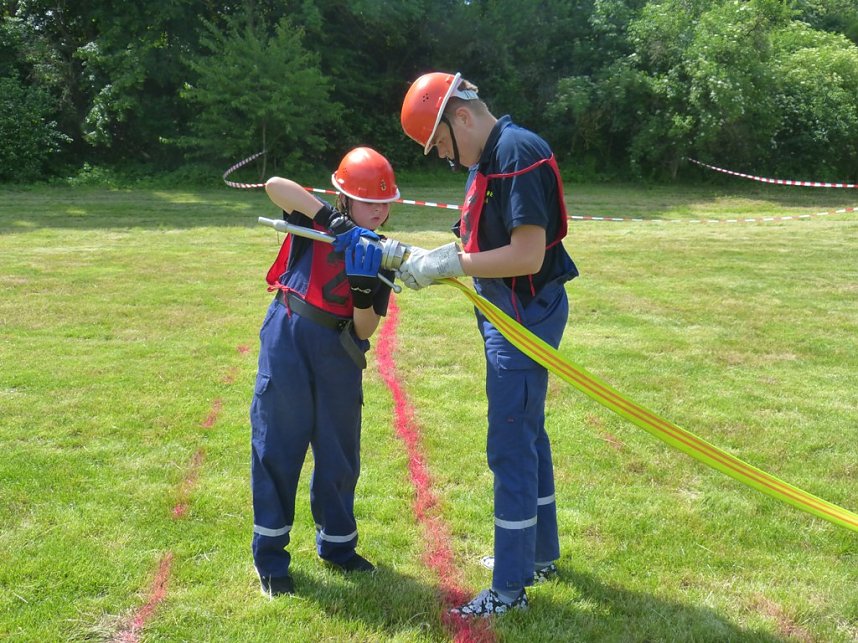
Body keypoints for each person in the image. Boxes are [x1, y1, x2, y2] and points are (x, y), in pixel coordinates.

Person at [398, 72, 579, 617]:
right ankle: (537, 556)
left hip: (523, 316)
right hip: (506, 310)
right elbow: (477, 238)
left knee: (509, 445)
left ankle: (508, 589)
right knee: (527, 435)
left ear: (460, 117)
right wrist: (424, 258)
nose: (446, 159)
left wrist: (451, 264)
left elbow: (527, 255)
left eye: (441, 147)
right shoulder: (491, 158)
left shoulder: (516, 152)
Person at [250, 147, 399, 597]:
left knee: (338, 451)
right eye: (368, 202)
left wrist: (362, 289)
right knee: (278, 444)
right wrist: (333, 223)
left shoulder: (384, 254)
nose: (379, 211)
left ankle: (338, 547)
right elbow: (276, 185)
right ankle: (271, 560)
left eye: (385, 202)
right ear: (344, 199)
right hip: (290, 334)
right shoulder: (313, 220)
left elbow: (366, 326)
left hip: (340, 349)